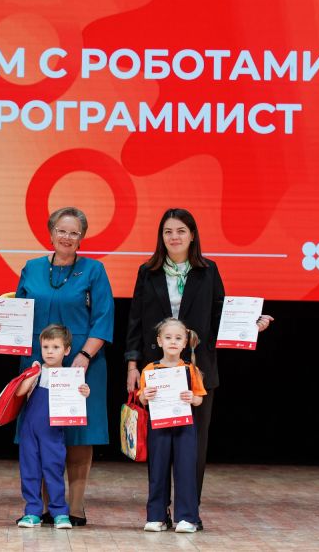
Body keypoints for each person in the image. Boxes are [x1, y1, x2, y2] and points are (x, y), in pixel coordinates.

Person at [125, 208, 273, 524]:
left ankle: (188, 513)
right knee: (160, 446)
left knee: (194, 447)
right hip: (157, 370)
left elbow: (221, 315)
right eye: (168, 231)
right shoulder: (148, 272)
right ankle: (158, 512)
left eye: (181, 231)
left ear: (192, 235)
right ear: (161, 236)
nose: (174, 237)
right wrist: (132, 365)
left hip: (197, 371)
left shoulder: (207, 270)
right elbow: (135, 320)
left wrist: (250, 325)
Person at [0, 207, 113, 526]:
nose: (66, 237)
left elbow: (103, 317)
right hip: (36, 360)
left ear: (81, 238)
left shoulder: (94, 270)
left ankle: (75, 507)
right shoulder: (31, 268)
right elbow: (18, 312)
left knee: (79, 433)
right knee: (40, 432)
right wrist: (0, 329)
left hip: (82, 361)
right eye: (61, 230)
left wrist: (84, 356)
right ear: (51, 233)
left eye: (74, 232)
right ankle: (43, 507)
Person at [14, 325, 89, 530]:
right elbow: (19, 392)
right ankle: (32, 512)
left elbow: (79, 397)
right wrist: (31, 375)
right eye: (45, 347)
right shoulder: (36, 369)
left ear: (66, 350)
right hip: (30, 430)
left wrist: (84, 390)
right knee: (29, 470)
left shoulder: (70, 375)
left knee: (54, 470)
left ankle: (60, 513)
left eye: (55, 347)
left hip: (53, 432)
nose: (49, 351)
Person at [138, 318, 207, 533]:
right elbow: (142, 398)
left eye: (178, 338)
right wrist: (145, 395)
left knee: (185, 470)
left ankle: (187, 518)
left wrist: (192, 398)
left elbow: (199, 398)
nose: (173, 342)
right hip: (159, 426)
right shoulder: (150, 369)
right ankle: (157, 516)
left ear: (185, 342)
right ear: (160, 341)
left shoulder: (190, 369)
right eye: (168, 337)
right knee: (157, 470)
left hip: (184, 426)